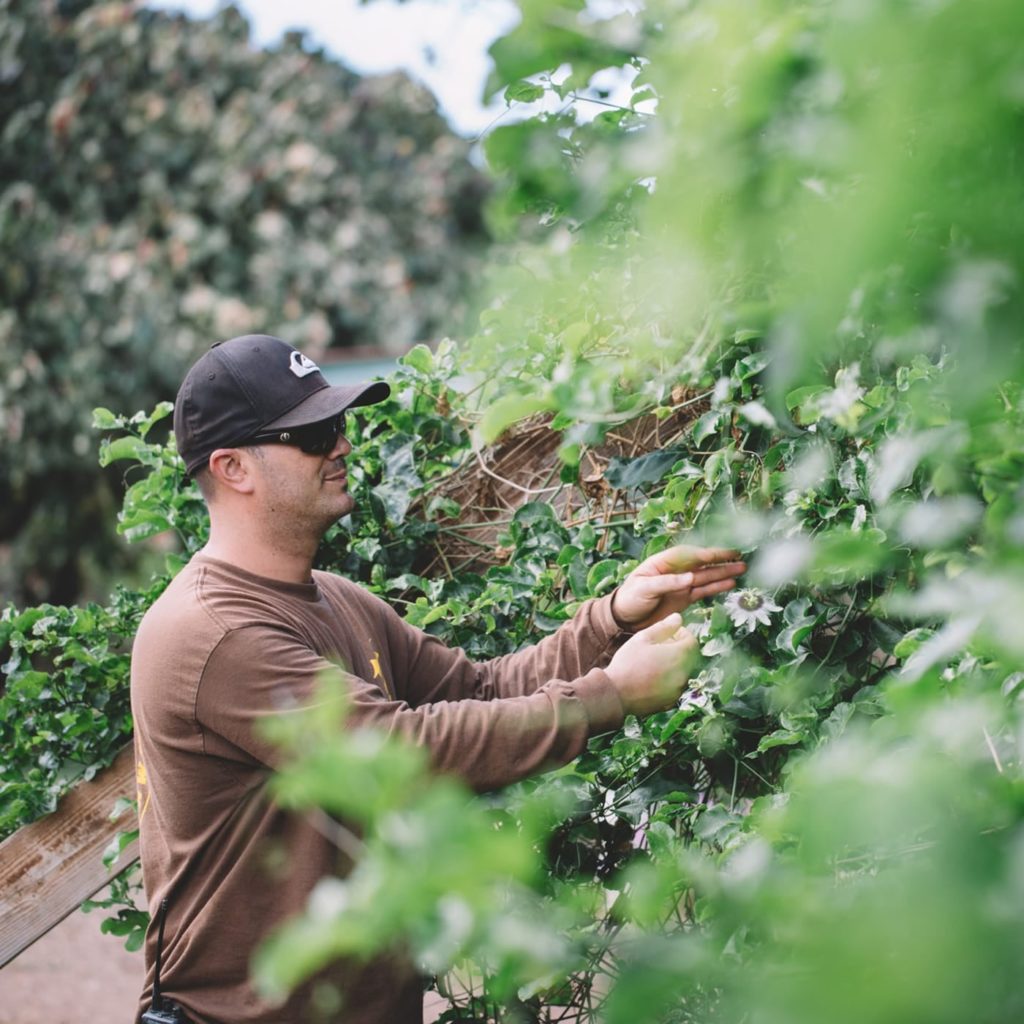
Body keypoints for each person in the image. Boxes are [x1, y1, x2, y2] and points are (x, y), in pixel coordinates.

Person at [131, 333, 745, 1024]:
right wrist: (611, 696)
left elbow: (478, 691)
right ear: (233, 466)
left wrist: (611, 620)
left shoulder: (335, 599)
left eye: (337, 424)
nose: (340, 445)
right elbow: (398, 754)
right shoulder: (213, 633)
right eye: (310, 434)